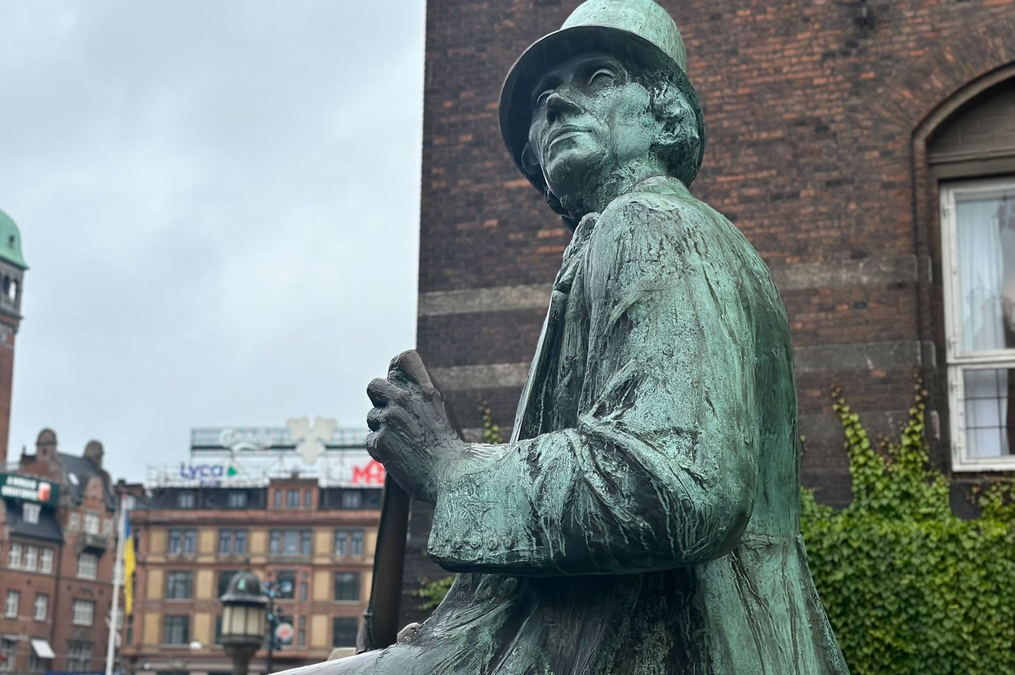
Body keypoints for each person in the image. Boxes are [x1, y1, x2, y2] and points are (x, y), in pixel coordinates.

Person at [280, 1, 850, 672]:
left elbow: (683, 484)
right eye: (543, 97)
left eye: (598, 77)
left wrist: (450, 467)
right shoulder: (641, 238)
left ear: (664, 111)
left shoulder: (650, 225)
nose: (554, 105)